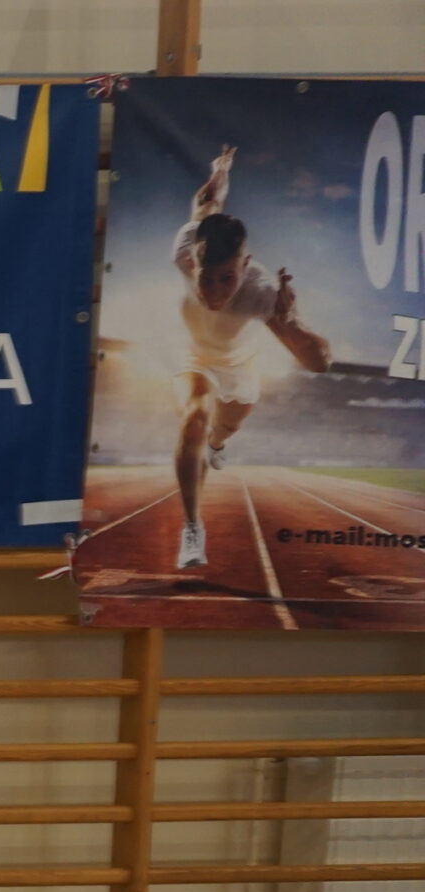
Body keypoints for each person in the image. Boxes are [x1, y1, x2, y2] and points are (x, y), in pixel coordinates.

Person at [168, 143, 332, 571]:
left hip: (240, 368)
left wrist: (291, 322)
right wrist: (220, 169)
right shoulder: (185, 247)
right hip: (193, 356)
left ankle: (218, 445)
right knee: (194, 418)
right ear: (193, 258)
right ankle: (192, 529)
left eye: (226, 279)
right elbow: (208, 202)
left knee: (223, 429)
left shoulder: (261, 292)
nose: (214, 293)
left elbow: (319, 362)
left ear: (246, 264)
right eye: (206, 278)